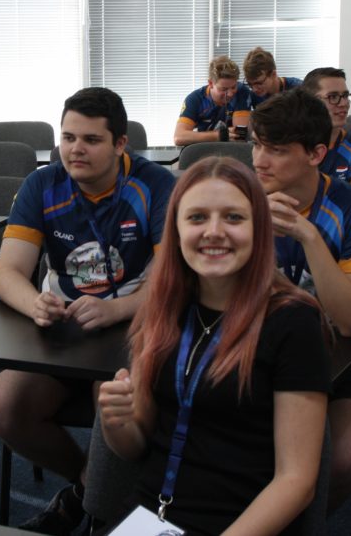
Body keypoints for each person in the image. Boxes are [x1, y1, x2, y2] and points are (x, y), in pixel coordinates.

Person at [98, 157, 330, 536]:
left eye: (234, 218)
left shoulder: (293, 322)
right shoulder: (164, 307)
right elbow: (135, 447)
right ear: (176, 230)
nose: (214, 232)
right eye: (197, 218)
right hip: (152, 516)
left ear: (259, 229)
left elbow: (297, 481)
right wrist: (116, 424)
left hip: (242, 523)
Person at [0, 87, 176, 534]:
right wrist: (35, 303)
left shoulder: (155, 185)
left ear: (120, 143)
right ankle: (88, 488)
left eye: (91, 140)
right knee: (6, 408)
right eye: (68, 137)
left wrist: (119, 309)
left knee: (110, 405)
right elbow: (8, 272)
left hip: (135, 321)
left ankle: (102, 511)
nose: (75, 150)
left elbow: (172, 280)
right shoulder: (41, 185)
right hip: (66, 327)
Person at [250, 89, 351, 511]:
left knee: (340, 459)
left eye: (276, 150)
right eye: (256, 145)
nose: (259, 161)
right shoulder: (241, 200)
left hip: (344, 359)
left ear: (316, 154)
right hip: (257, 351)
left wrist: (308, 235)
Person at [302, 67, 351, 195]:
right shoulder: (291, 147)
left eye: (345, 96)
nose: (343, 103)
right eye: (333, 97)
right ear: (310, 102)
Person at [173, 55, 252, 146]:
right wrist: (219, 135)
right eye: (224, 89)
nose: (230, 94)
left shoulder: (241, 92)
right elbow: (179, 137)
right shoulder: (195, 99)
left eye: (233, 87)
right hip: (203, 149)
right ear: (211, 83)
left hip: (230, 149)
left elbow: (238, 137)